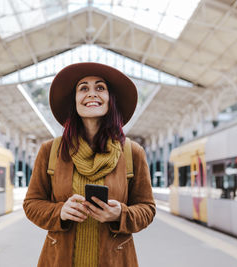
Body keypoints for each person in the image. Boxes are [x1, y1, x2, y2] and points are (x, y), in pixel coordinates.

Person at [23, 62, 156, 267]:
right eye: (83, 88)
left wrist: (120, 214)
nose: (92, 94)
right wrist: (60, 212)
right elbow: (31, 204)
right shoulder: (50, 151)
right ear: (74, 101)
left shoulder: (133, 153)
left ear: (111, 100)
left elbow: (147, 209)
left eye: (100, 88)